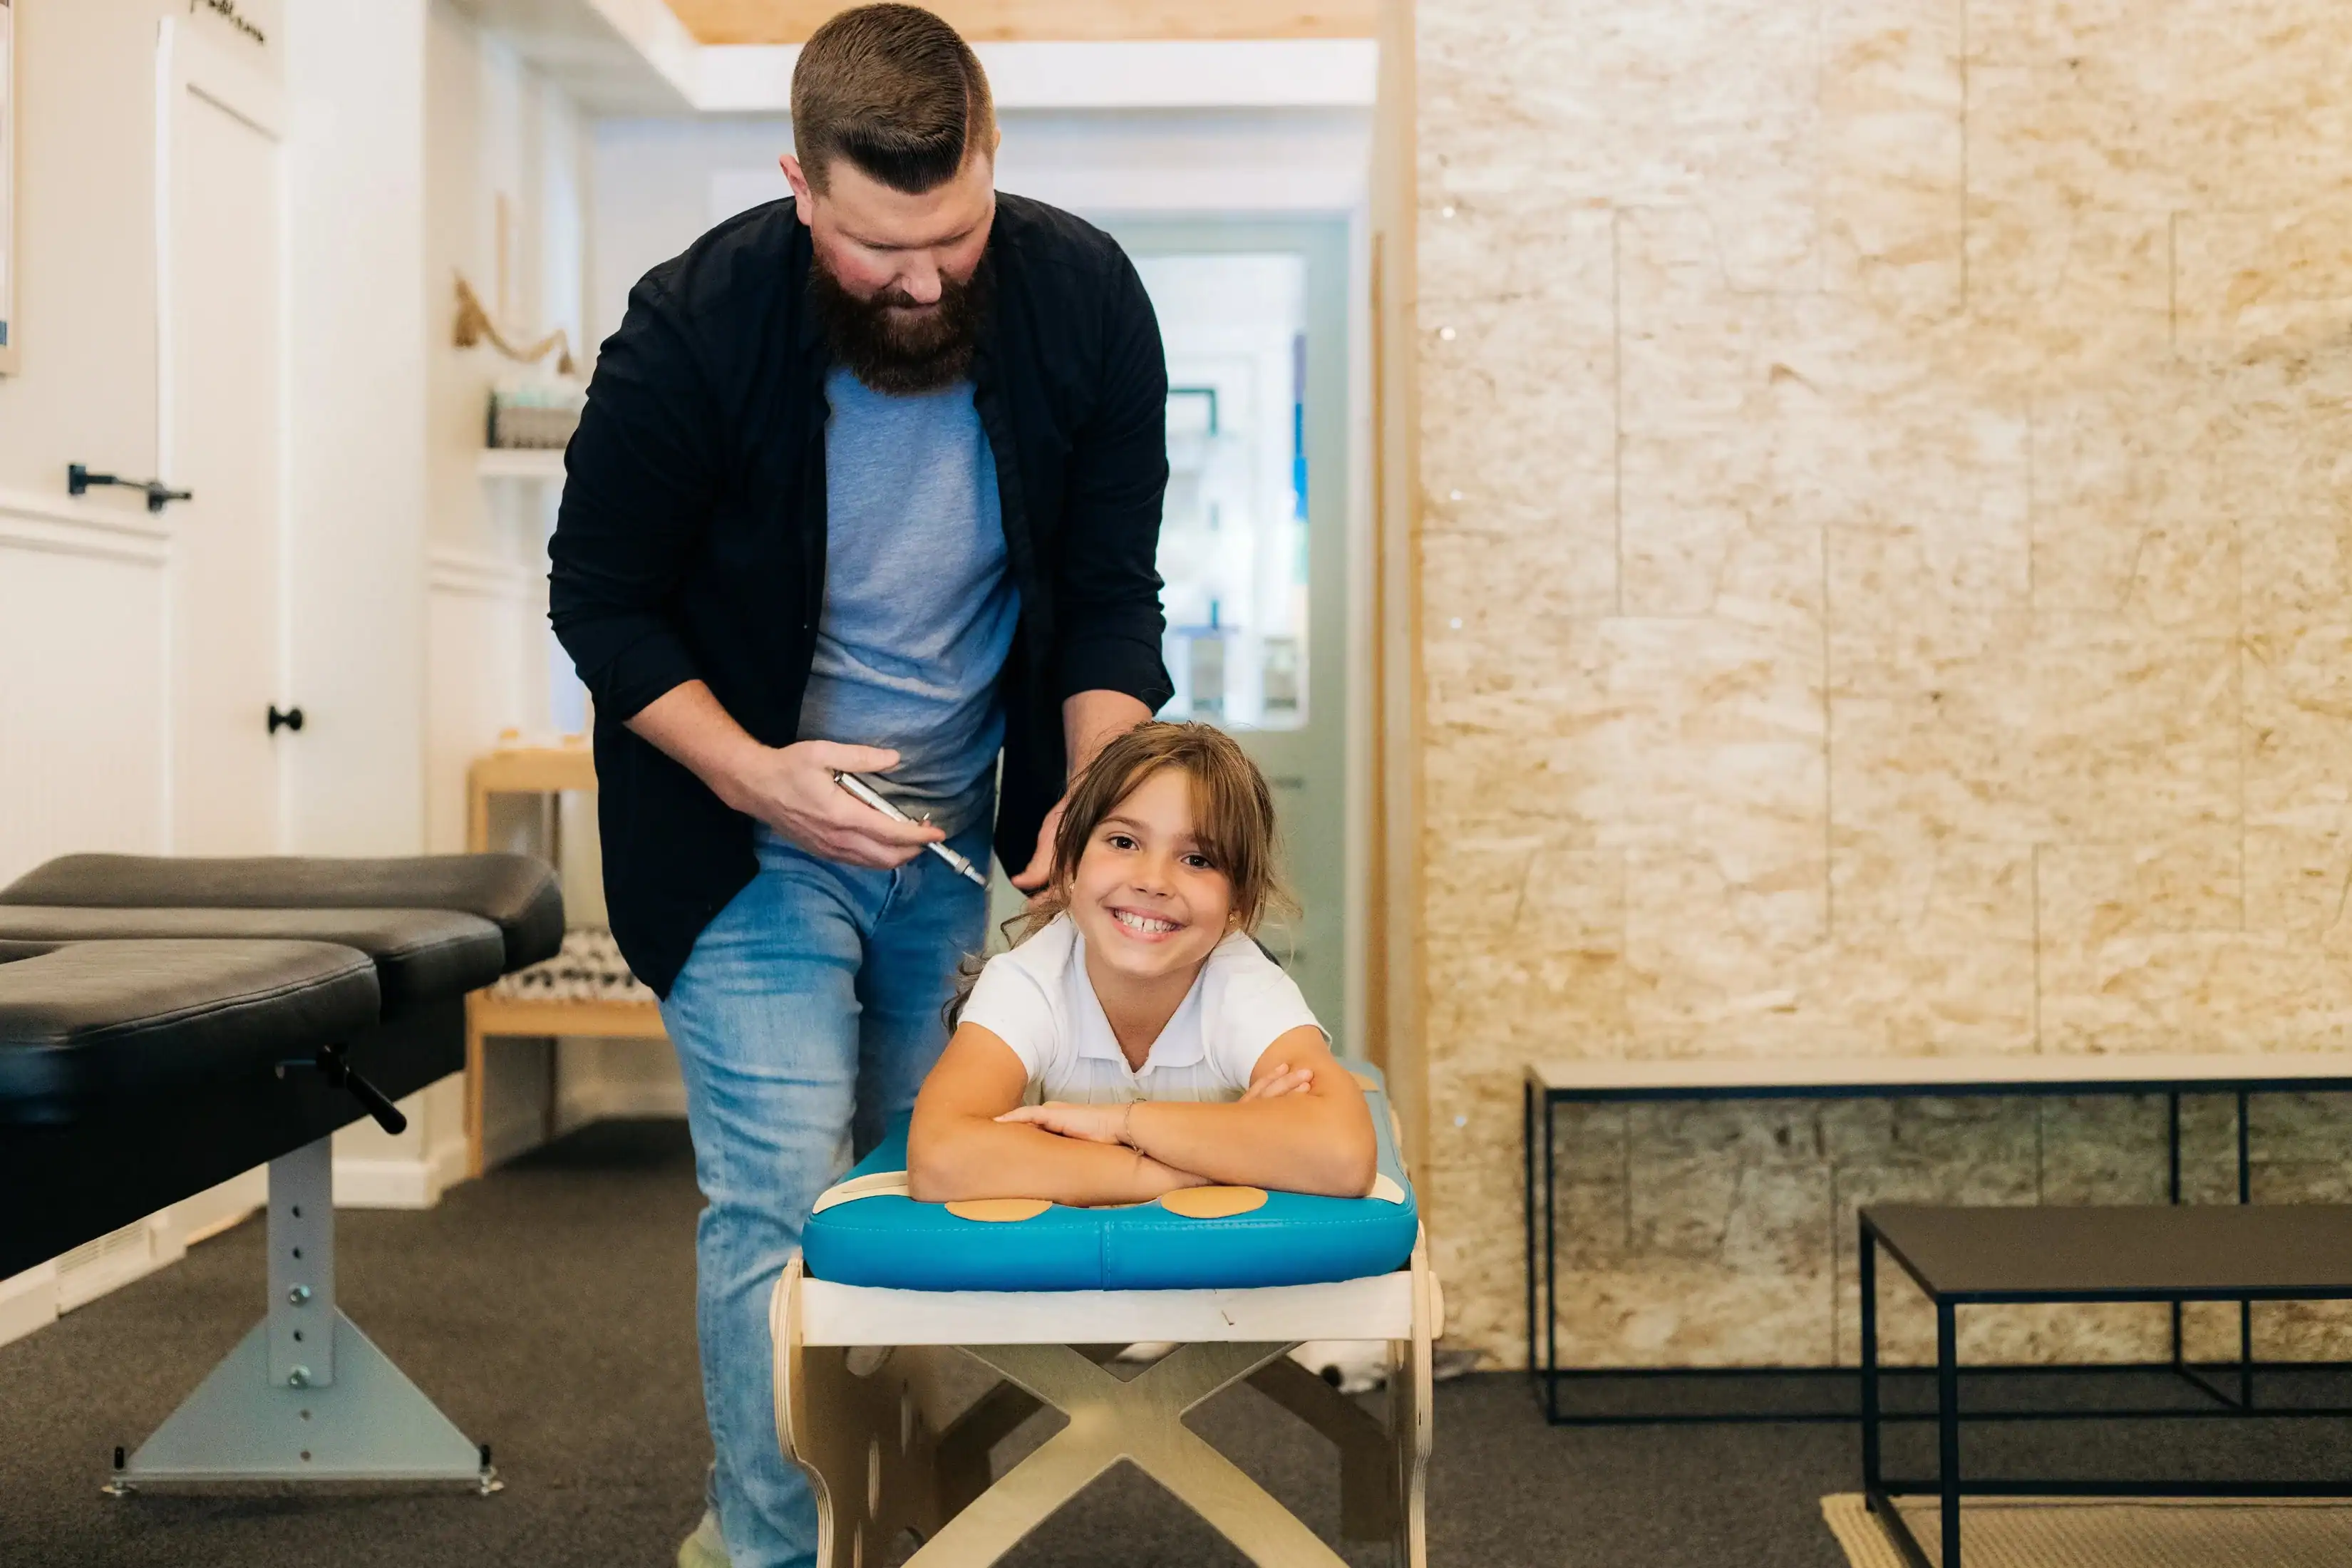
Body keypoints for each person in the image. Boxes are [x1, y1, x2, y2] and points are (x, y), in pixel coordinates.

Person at [544, 7, 1172, 1565]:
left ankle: (878, 1517)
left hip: (955, 844)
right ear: (800, 187)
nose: (924, 281)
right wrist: (762, 774)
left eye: (953, 236)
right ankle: (770, 1544)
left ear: (991, 159)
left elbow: (1109, 594)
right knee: (778, 1189)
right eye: (877, 248)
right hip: (744, 840)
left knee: (912, 1182)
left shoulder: (1085, 298)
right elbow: (600, 600)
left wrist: (1090, 800)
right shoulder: (693, 324)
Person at [909, 722, 1376, 1202]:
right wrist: (1199, 1171)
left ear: (1238, 905)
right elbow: (941, 1159)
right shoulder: (1027, 981)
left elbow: (1343, 1155)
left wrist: (1117, 1123)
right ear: (1070, 865)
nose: (1153, 881)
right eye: (1124, 842)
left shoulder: (1243, 983)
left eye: (1197, 859)